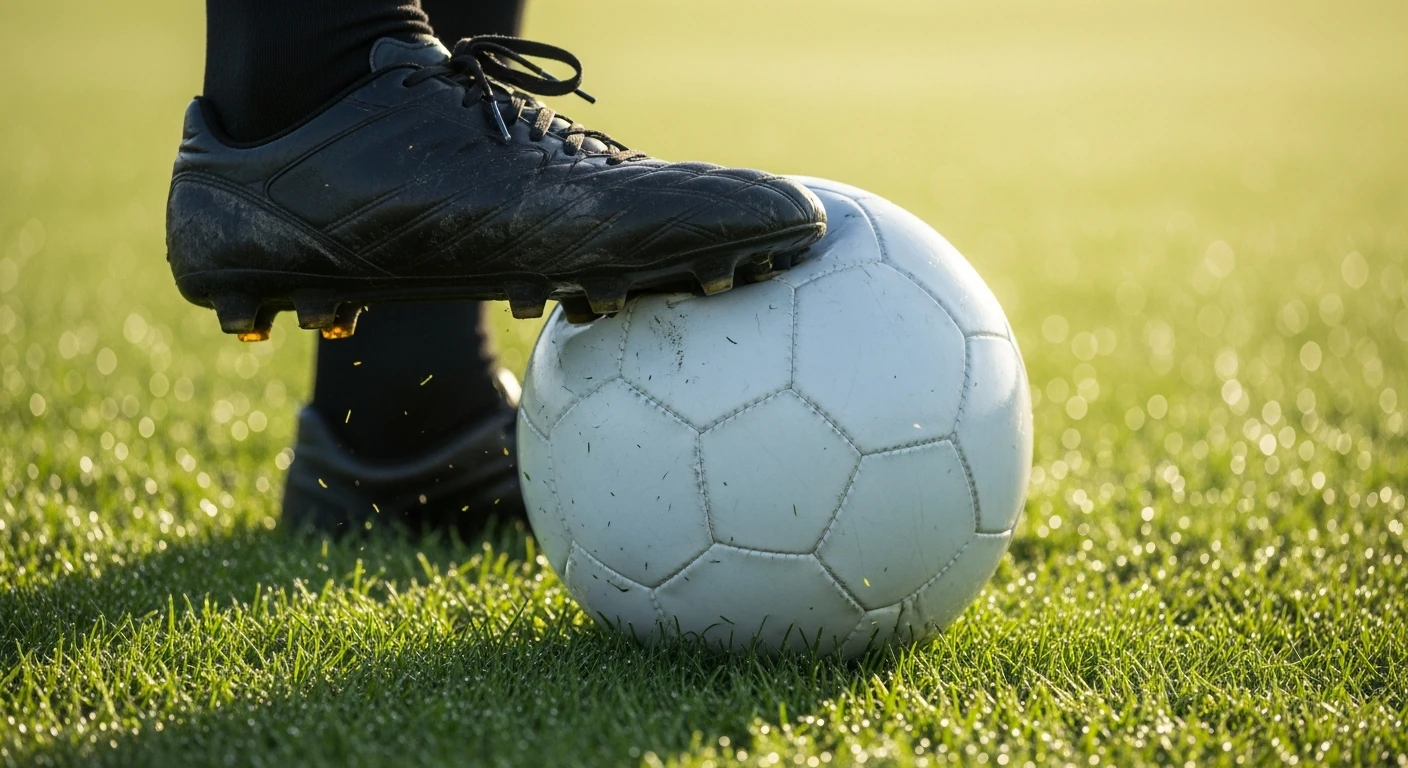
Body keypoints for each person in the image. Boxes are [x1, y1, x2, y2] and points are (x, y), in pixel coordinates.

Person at [173, 0, 827, 537]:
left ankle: (412, 425)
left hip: (412, 439)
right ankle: (325, 81)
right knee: (337, 53)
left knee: (415, 410)